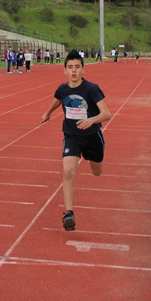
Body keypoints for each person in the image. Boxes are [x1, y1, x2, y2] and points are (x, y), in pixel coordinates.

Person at [40, 50, 112, 232]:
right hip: (72, 136)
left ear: (83, 70)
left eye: (77, 67)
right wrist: (48, 113)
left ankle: (93, 157)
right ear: (64, 70)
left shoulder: (91, 89)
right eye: (70, 67)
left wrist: (91, 120)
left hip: (92, 136)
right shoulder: (63, 89)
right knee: (68, 171)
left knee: (97, 172)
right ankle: (69, 213)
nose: (74, 71)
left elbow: (107, 113)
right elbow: (58, 100)